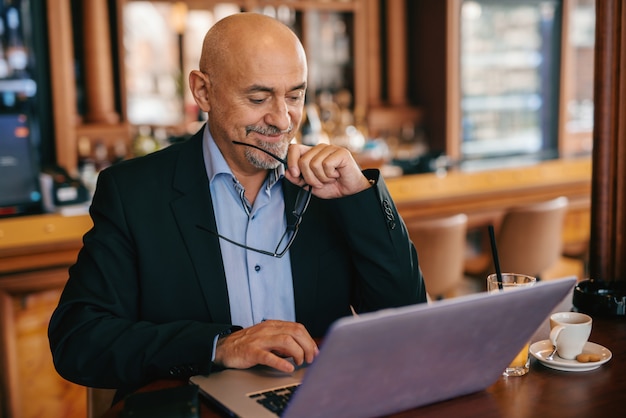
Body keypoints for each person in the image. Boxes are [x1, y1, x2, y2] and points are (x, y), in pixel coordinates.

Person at [48, 12, 426, 401]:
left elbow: (408, 318)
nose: (282, 119)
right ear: (203, 92)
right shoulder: (134, 192)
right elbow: (78, 340)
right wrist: (218, 346)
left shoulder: (327, 184)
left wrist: (360, 196)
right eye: (258, 98)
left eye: (295, 96)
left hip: (321, 402)